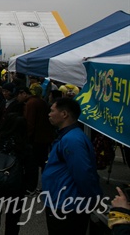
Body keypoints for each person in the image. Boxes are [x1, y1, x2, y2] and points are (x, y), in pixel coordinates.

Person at [42, 97, 102, 234]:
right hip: (61, 202)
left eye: (52, 111)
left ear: (64, 114)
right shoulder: (68, 136)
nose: (49, 114)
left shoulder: (72, 139)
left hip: (67, 205)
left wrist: (94, 198)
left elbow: (83, 173)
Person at [0, 114, 38, 235]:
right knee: (13, 219)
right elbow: (31, 169)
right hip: (15, 186)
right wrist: (28, 187)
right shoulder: (24, 146)